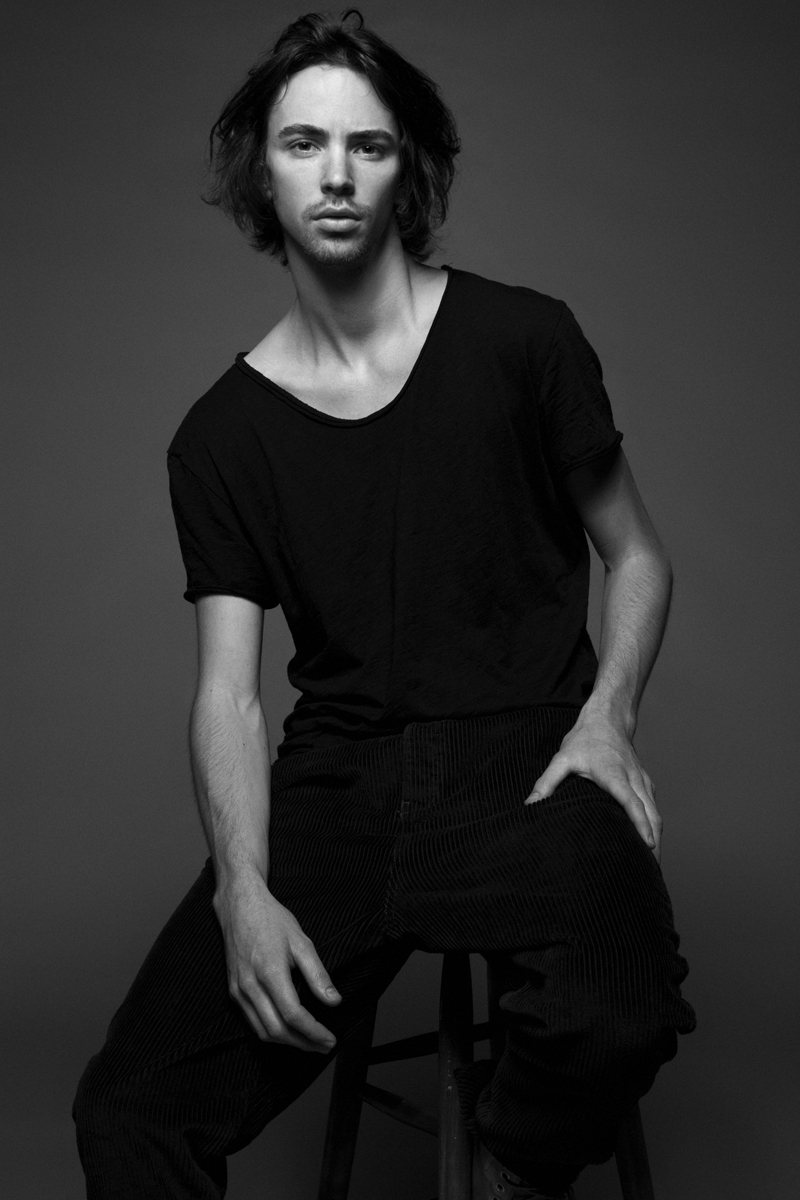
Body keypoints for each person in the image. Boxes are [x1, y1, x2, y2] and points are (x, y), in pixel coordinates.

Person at [73, 10, 695, 1199]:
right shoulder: (219, 436)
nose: (338, 174)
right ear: (260, 169)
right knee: (130, 1109)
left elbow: (639, 555)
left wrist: (606, 715)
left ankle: (514, 1166)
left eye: (368, 145)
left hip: (527, 755)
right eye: (303, 143)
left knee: (613, 1014)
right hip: (341, 785)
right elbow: (228, 693)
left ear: (408, 166)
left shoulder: (523, 338)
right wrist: (241, 891)